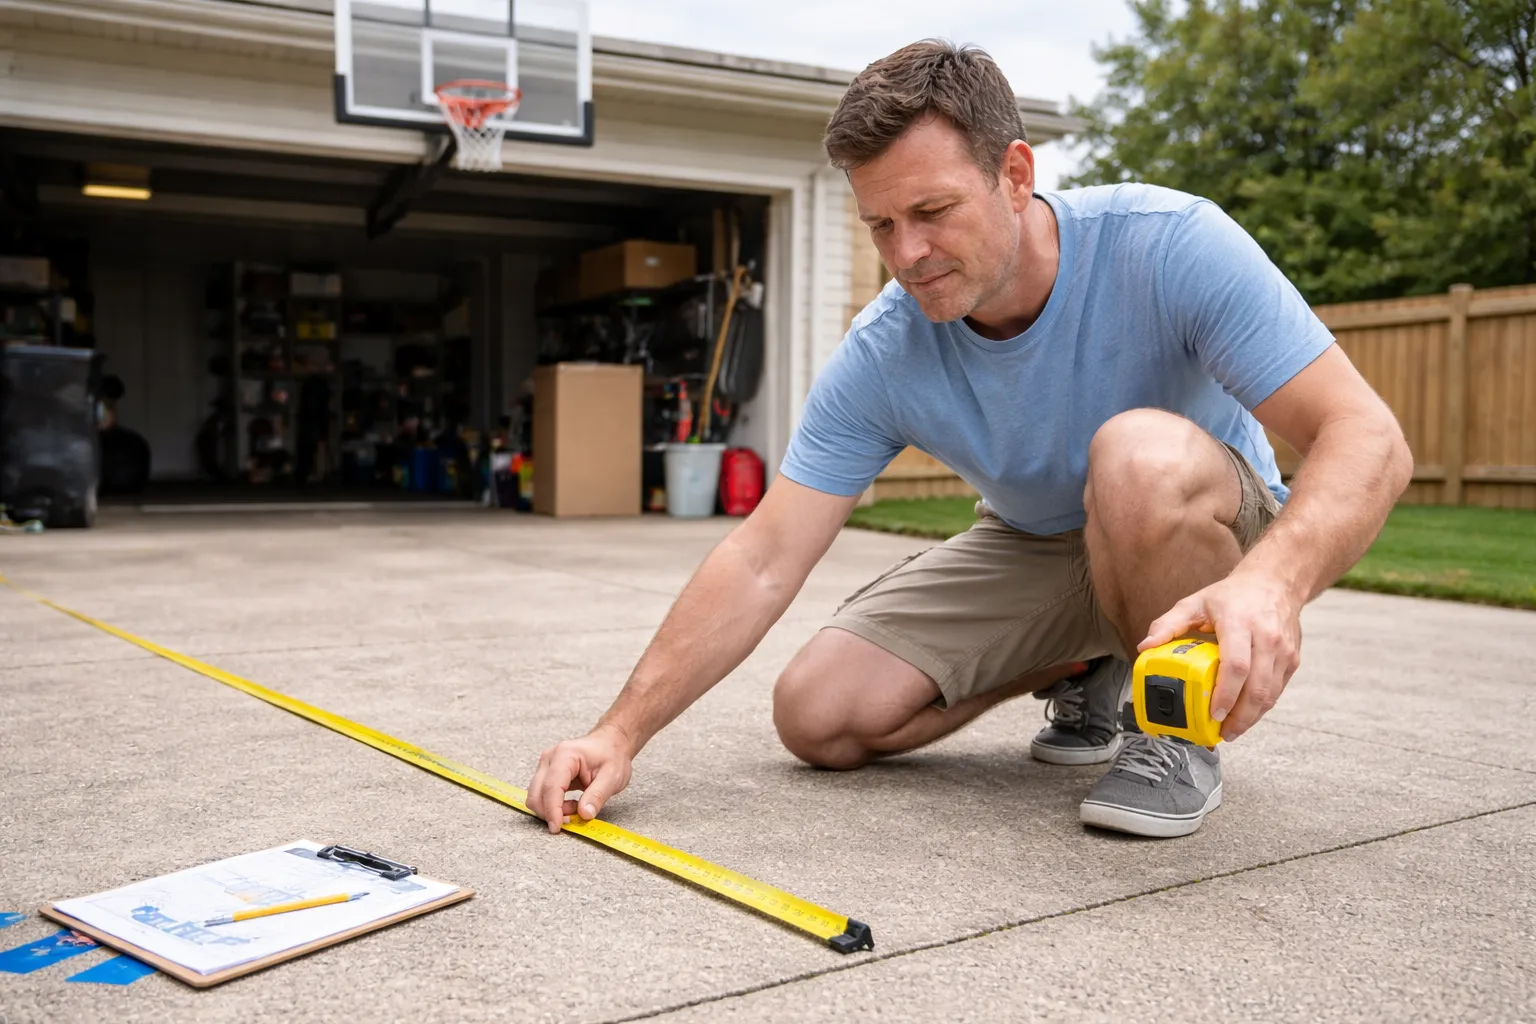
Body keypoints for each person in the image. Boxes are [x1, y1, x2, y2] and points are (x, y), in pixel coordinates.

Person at [526, 40, 1412, 839]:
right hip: (1036, 539)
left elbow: (1367, 435)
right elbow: (764, 556)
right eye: (881, 226)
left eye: (933, 210)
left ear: (1015, 174)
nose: (907, 253)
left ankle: (1169, 737)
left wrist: (1271, 585)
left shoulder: (1169, 244)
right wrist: (619, 730)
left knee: (1135, 454)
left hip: (1203, 528)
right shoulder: (885, 348)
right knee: (817, 714)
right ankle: (1094, 657)